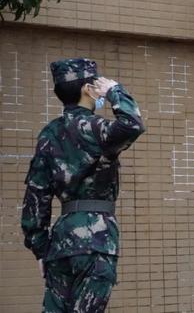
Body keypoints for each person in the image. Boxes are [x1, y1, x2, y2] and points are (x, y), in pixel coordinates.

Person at [21, 58, 145, 312]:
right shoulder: (96, 128)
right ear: (88, 90)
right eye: (95, 85)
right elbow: (132, 124)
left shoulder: (49, 134)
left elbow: (36, 196)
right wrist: (114, 90)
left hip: (60, 242)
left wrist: (41, 248)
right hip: (97, 239)